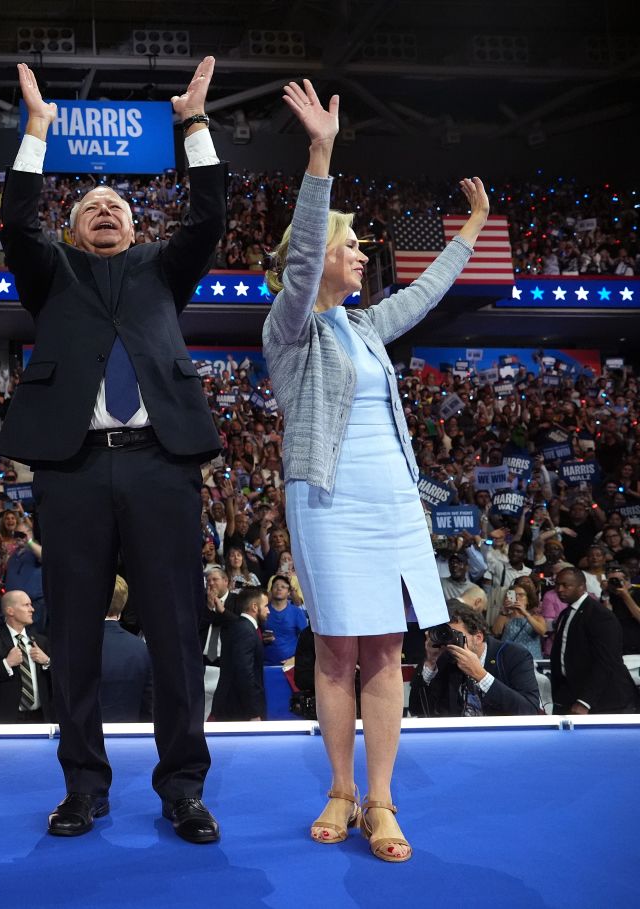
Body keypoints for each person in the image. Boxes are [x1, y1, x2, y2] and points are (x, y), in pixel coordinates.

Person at [0, 58, 227, 845]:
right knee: (76, 638)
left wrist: (193, 124)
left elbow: (208, 217)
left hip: (162, 463)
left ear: (135, 227)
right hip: (74, 468)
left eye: (116, 206)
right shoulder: (50, 273)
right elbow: (17, 224)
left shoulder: (163, 269)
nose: (104, 211)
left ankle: (184, 789)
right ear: (74, 228)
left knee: (171, 630)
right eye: (90, 205)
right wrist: (36, 134)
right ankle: (83, 787)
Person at [261, 78, 491, 862]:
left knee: (386, 648)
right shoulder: (289, 327)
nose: (363, 255)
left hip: (389, 499)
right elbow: (297, 269)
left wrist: (472, 232)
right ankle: (338, 786)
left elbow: (425, 293)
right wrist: (320, 151)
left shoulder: (365, 325)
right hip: (325, 500)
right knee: (334, 649)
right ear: (318, 253)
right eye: (350, 244)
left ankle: (382, 800)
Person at [409, 601, 540, 717]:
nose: (448, 642)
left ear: (478, 637)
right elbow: (417, 710)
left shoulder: (514, 656)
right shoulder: (443, 659)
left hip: (501, 736)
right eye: (445, 635)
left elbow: (529, 711)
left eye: (454, 635)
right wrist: (430, 663)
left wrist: (481, 675)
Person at [548, 568, 639, 714]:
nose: (560, 589)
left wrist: (585, 701)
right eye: (557, 585)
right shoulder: (566, 614)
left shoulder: (600, 615)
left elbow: (607, 661)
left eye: (566, 585)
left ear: (582, 587)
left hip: (604, 702)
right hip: (570, 695)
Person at [0, 591, 53, 723]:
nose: (32, 609)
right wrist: (6, 664)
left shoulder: (41, 641)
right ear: (10, 611)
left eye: (31, 605)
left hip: (40, 718)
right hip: (4, 719)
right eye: (26, 605)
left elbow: (59, 681)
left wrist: (47, 661)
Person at [210, 587, 268, 722]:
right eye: (265, 606)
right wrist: (253, 712)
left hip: (236, 708)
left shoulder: (241, 627)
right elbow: (244, 673)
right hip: (239, 712)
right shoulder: (245, 630)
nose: (268, 610)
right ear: (254, 607)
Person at [100, 577, 153, 723]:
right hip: (131, 738)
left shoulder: (79, 648)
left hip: (89, 741)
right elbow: (149, 706)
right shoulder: (141, 649)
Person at [489, 576, 546, 662]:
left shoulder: (536, 617)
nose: (517, 598)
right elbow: (496, 632)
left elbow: (542, 631)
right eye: (514, 595)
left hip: (531, 659)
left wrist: (526, 614)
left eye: (521, 595)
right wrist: (504, 611)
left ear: (528, 600)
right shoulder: (505, 617)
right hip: (508, 658)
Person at [262, 575, 310, 664]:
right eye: (276, 586)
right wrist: (262, 638)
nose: (279, 588)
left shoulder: (297, 612)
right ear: (271, 590)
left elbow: (306, 640)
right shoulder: (263, 610)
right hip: (265, 663)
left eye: (283, 587)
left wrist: (295, 659)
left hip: (290, 665)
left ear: (288, 593)